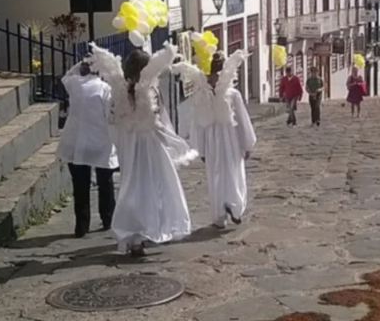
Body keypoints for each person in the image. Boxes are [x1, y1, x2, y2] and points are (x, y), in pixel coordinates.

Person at [88, 42, 197, 256]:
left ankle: (135, 236)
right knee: (157, 188)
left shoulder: (117, 94)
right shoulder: (152, 91)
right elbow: (161, 121)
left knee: (133, 190)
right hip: (151, 147)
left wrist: (121, 141)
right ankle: (151, 229)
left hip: (129, 147)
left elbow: (112, 121)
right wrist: (172, 141)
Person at [174, 51, 258, 228]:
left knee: (216, 176)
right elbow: (242, 120)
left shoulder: (203, 93)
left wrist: (200, 148)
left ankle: (220, 215)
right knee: (234, 172)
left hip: (213, 141)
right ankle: (234, 207)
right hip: (231, 140)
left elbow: (198, 123)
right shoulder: (232, 94)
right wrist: (247, 143)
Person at [57, 61, 118, 238]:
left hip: (76, 142)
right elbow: (110, 116)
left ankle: (81, 225)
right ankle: (108, 218)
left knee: (80, 185)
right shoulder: (105, 89)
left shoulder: (74, 84)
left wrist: (79, 65)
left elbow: (66, 75)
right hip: (99, 140)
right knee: (105, 182)